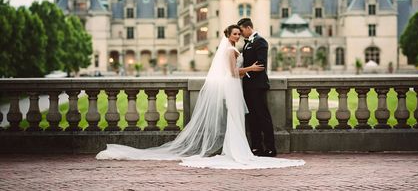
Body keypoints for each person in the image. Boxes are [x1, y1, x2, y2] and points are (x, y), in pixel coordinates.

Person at [96, 25, 304, 170]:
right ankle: (238, 151)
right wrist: (249, 67)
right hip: (233, 85)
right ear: (229, 35)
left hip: (235, 86)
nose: (238, 36)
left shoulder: (233, 48)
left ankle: (238, 149)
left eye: (239, 33)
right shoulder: (232, 50)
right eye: (235, 33)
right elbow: (232, 73)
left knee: (237, 119)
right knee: (236, 118)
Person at [237, 18, 276, 157]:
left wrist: (244, 72)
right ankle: (256, 147)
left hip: (258, 86)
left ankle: (271, 148)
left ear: (248, 28)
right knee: (252, 118)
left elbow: (261, 64)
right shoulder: (247, 44)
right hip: (248, 86)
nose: (240, 34)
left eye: (241, 30)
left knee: (263, 117)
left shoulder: (260, 41)